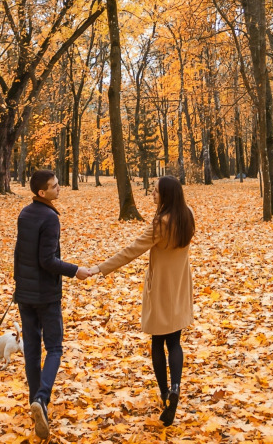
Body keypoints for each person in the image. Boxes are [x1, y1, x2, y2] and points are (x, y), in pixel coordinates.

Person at [92, 175, 196, 426]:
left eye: (157, 192)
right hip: (180, 285)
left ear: (167, 196)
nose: (152, 194)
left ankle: (164, 394)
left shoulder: (161, 223)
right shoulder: (187, 215)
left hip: (161, 288)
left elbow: (131, 251)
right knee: (175, 342)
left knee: (158, 342)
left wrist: (100, 268)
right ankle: (176, 387)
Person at [14, 168, 95, 440]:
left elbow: (19, 254)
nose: (59, 188)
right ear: (42, 193)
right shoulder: (49, 218)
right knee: (55, 348)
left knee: (32, 351)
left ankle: (38, 406)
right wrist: (75, 270)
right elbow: (46, 261)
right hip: (45, 295)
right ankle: (41, 396)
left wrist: (18, 288)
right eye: (54, 185)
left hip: (25, 294)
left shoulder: (25, 214)